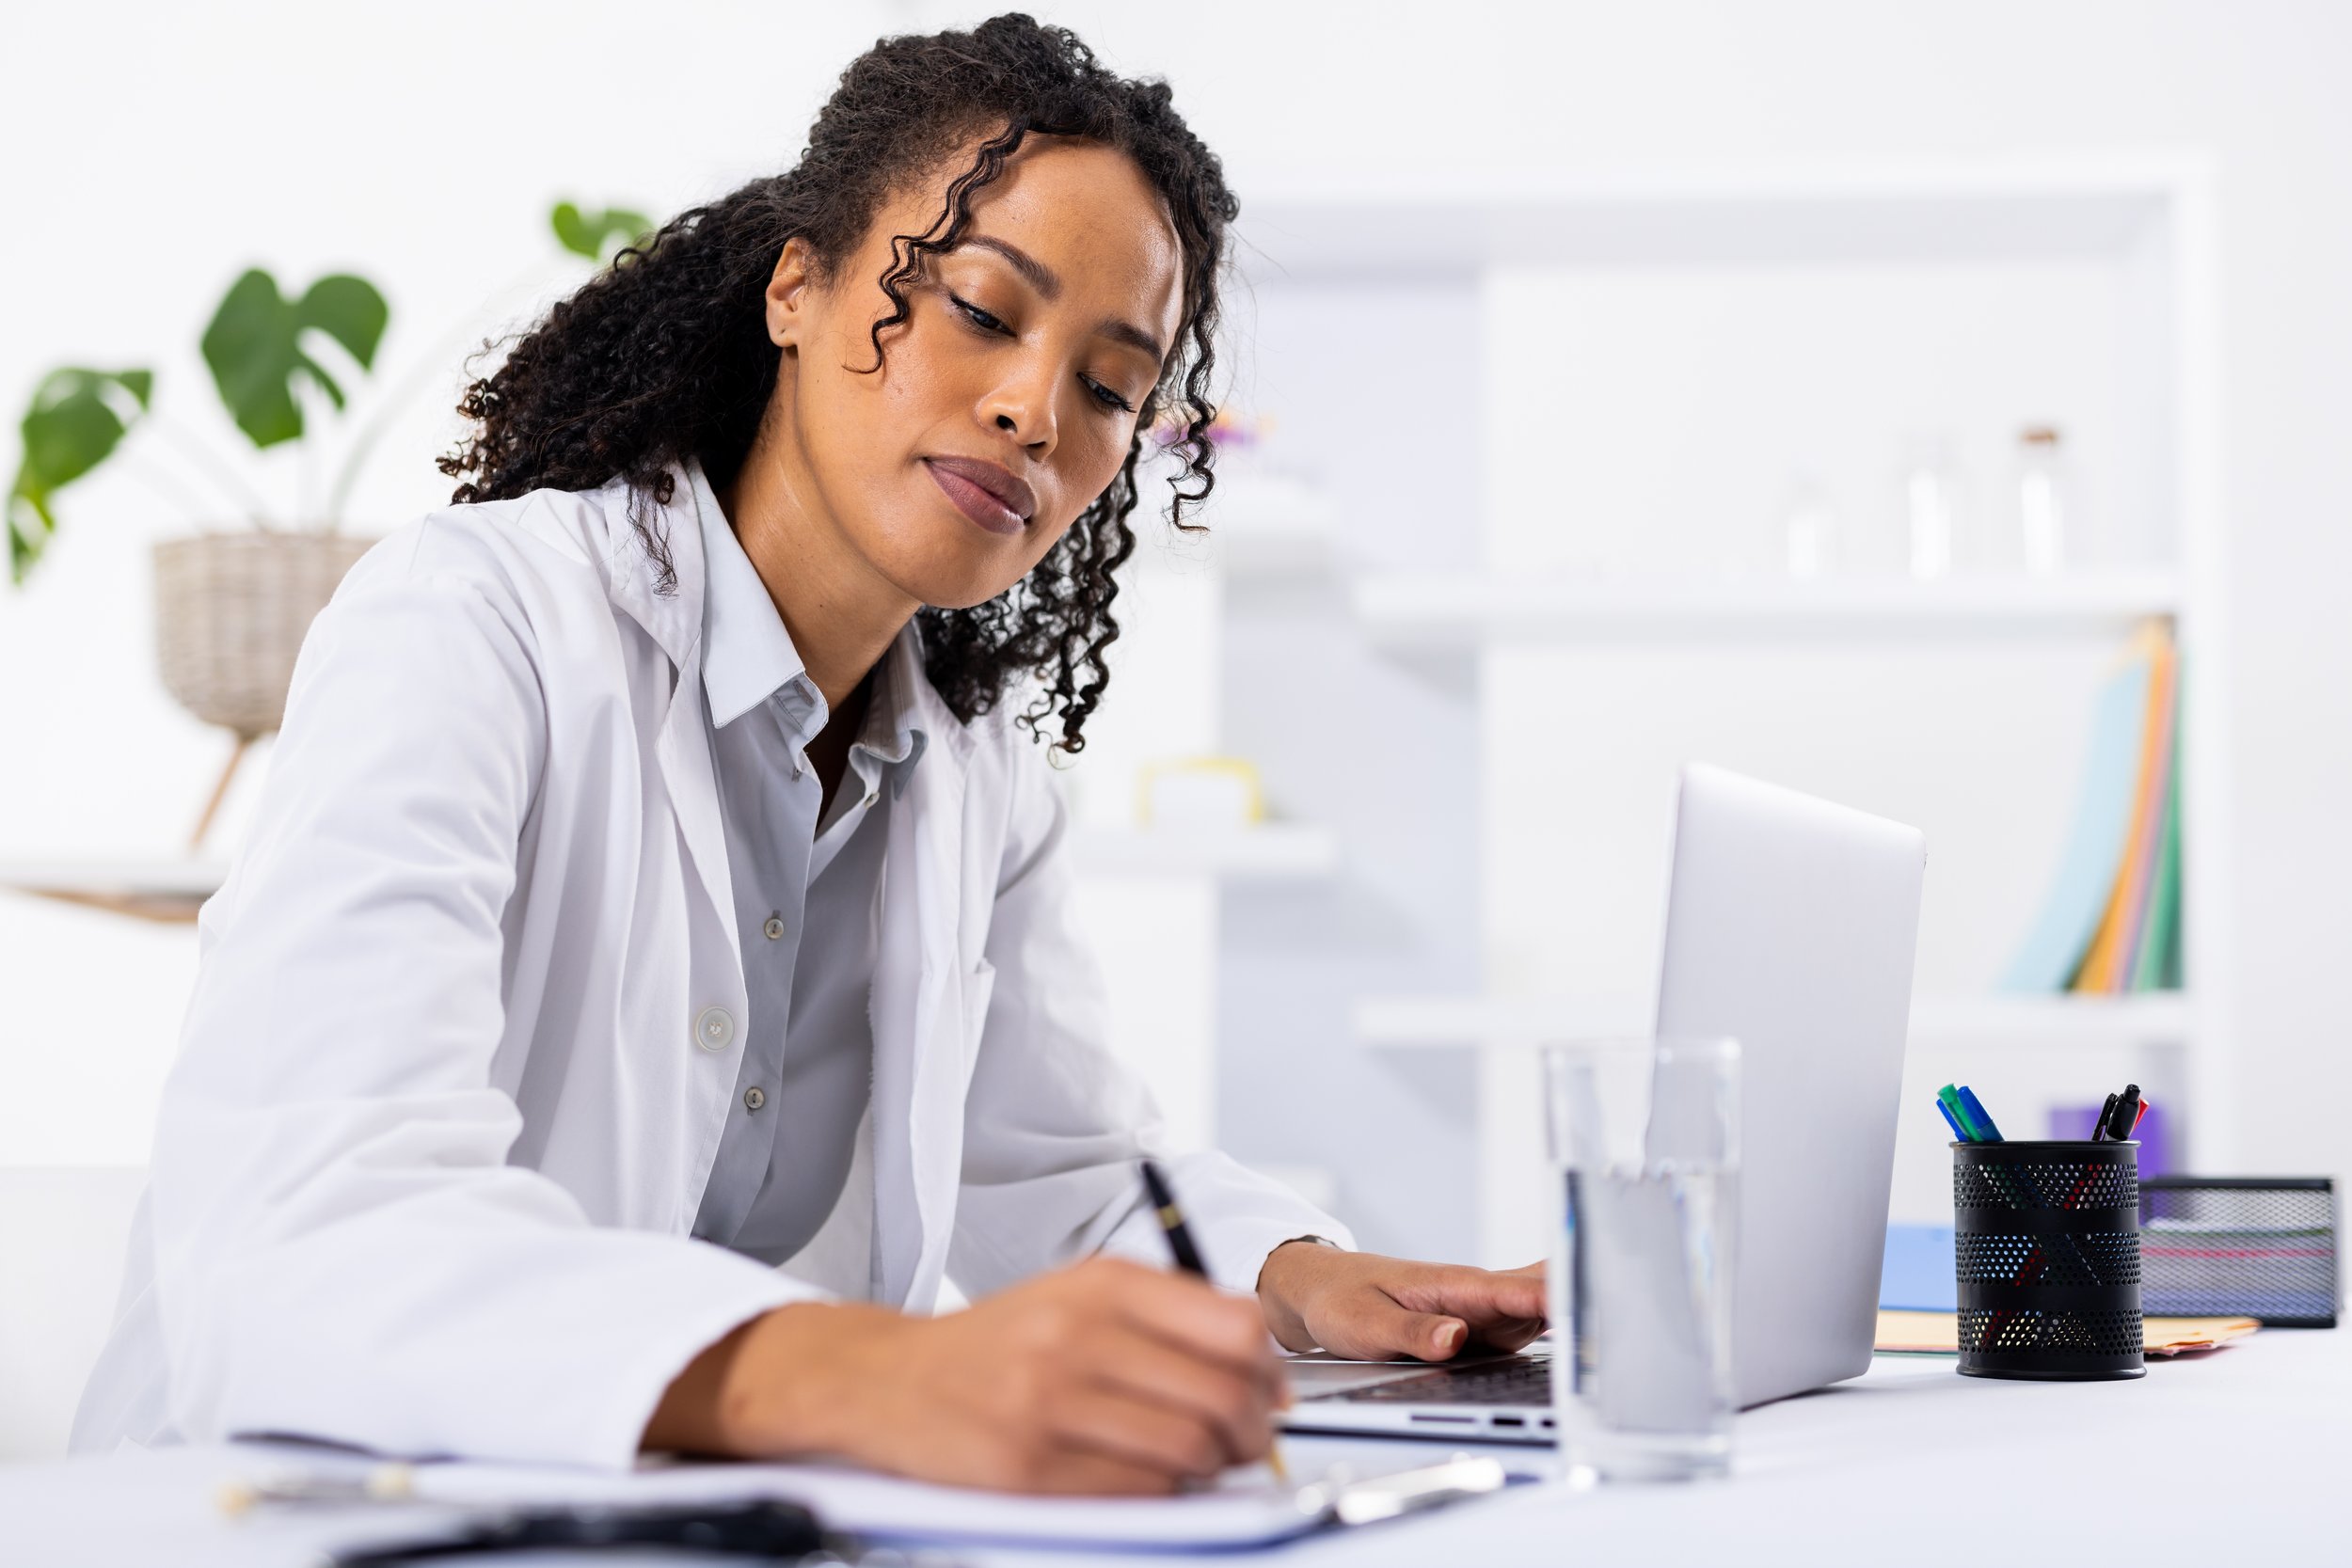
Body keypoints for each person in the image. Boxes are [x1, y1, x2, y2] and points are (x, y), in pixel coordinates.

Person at [72, 14, 1544, 1496]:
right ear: (798, 286)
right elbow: (312, 1231)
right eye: (980, 306)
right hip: (276, 1510)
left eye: (1109, 388)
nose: (1036, 410)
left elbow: (1071, 1179)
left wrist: (1298, 1280)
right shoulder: (469, 628)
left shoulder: (972, 774)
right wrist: (865, 1372)